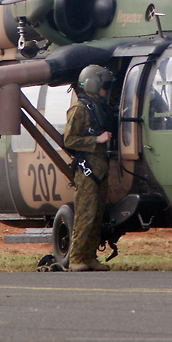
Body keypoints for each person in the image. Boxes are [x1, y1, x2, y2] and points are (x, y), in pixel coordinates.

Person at [64, 65, 115, 272]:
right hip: (87, 170)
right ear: (93, 85)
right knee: (85, 215)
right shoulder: (80, 109)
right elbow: (69, 139)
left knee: (97, 215)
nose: (107, 90)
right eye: (105, 86)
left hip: (100, 168)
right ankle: (76, 258)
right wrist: (97, 139)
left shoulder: (98, 108)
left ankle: (90, 256)